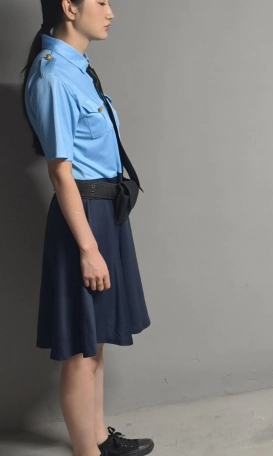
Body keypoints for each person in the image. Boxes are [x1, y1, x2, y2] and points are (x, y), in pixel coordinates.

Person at [21, 1, 154, 455]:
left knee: (94, 340)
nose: (110, 11)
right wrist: (88, 248)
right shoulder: (54, 75)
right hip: (83, 216)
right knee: (81, 347)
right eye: (100, 1)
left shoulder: (77, 70)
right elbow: (60, 173)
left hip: (103, 212)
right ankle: (87, 452)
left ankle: (99, 440)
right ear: (69, 7)